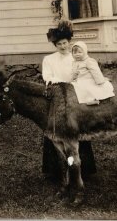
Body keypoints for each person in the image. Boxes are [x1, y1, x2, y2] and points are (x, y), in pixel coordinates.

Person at [42, 21, 96, 181]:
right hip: (57, 97)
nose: (63, 46)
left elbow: (86, 73)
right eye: (59, 44)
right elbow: (47, 77)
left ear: (69, 42)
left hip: (75, 96)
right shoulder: (49, 59)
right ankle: (55, 170)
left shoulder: (77, 57)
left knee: (76, 129)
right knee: (54, 130)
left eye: (65, 43)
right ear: (55, 45)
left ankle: (84, 169)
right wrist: (64, 82)